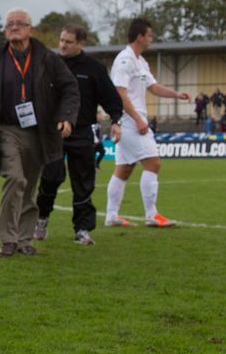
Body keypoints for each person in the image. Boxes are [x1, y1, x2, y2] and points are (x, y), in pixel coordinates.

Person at [0, 8, 79, 258]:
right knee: (15, 178)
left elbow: (70, 88)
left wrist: (66, 117)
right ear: (5, 32)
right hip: (6, 130)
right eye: (10, 24)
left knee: (29, 187)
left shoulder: (48, 59)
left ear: (30, 29)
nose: (14, 27)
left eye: (20, 24)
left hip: (38, 132)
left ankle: (25, 240)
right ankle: (8, 239)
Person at [33, 24, 124, 246]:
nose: (62, 45)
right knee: (51, 178)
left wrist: (116, 120)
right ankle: (41, 219)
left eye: (68, 42)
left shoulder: (93, 68)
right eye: (61, 40)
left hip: (83, 131)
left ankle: (82, 229)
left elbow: (111, 97)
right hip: (53, 132)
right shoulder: (48, 64)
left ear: (81, 44)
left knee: (83, 182)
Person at [104, 18, 190, 229]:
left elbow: (154, 87)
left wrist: (176, 94)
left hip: (132, 120)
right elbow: (119, 93)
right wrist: (139, 119)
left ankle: (111, 216)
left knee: (123, 169)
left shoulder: (140, 61)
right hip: (129, 121)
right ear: (140, 36)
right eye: (150, 35)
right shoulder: (124, 60)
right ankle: (151, 214)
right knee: (153, 163)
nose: (152, 38)